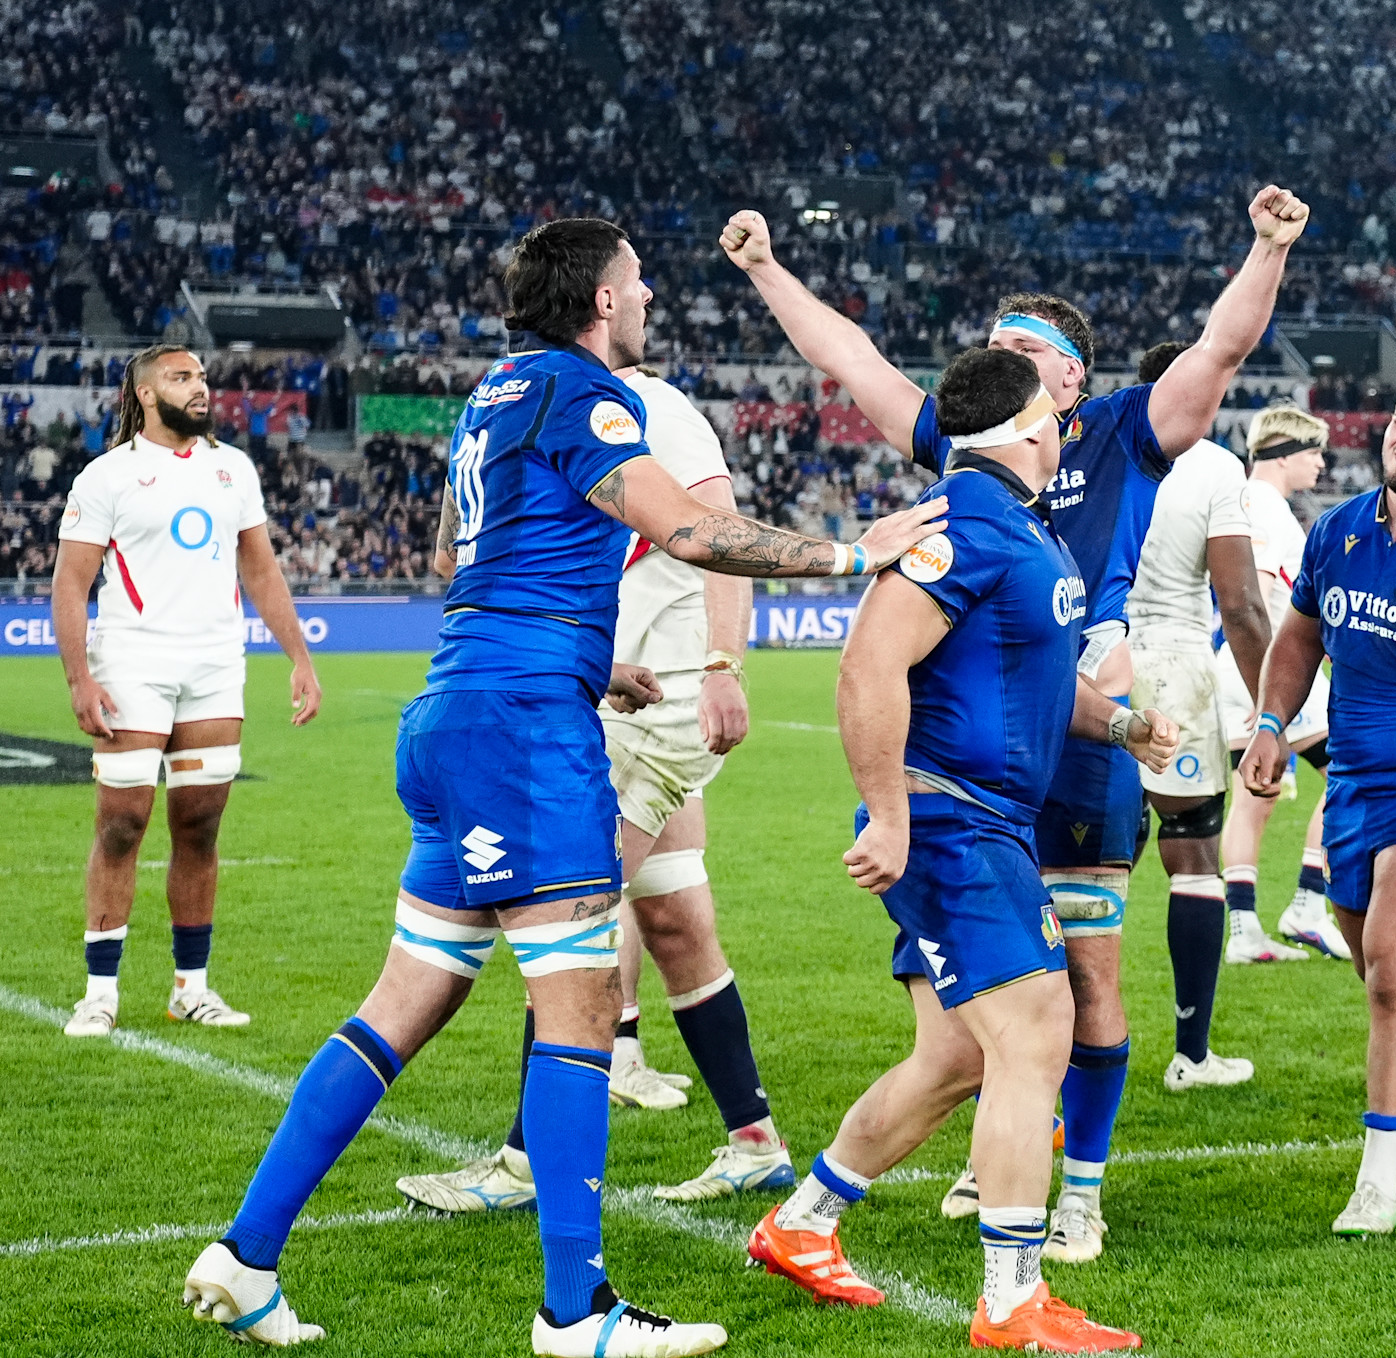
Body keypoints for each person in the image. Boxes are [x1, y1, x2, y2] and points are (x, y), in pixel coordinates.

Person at [178, 217, 945, 1355]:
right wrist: (850, 552)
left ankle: (245, 1256)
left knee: (404, 1002)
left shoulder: (491, 394)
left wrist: (591, 661)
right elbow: (687, 528)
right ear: (600, 299)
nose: (650, 298)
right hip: (523, 733)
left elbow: (472, 552)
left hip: (459, 707)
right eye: (638, 281)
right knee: (582, 1004)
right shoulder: (589, 393)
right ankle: (575, 1311)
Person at [718, 184, 1308, 1260]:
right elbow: (852, 359)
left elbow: (1220, 350)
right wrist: (764, 271)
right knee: (959, 1022)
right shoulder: (972, 445)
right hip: (968, 738)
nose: (1001, 357)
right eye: (994, 345)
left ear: (1071, 378)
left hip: (1072, 728)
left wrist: (1266, 248)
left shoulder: (1123, 432)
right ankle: (971, 1172)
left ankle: (1074, 1192)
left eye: (1024, 348)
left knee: (1082, 983)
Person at [743, 346, 1175, 1352]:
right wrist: (887, 813)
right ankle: (1013, 1299)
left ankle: (802, 1223)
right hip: (952, 820)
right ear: (1027, 429)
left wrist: (1120, 725)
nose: (1066, 427)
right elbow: (868, 662)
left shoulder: (1021, 527)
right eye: (1053, 416)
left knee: (954, 1055)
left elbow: (1032, 679)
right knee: (1037, 1029)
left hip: (987, 820)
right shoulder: (964, 524)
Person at [390, 366, 796, 1217]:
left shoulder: (647, 407)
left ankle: (522, 1164)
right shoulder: (550, 402)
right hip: (619, 693)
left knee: (566, 929)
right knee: (675, 924)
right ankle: (755, 1144)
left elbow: (720, 529)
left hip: (654, 706)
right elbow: (451, 553)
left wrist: (725, 664)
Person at [1239, 372, 1396, 1236]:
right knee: (1388, 974)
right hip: (1349, 785)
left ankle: (1376, 1184)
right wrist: (1270, 722)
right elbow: (1299, 636)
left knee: (1391, 973)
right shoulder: (1337, 530)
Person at [53, 344, 323, 1039]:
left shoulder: (233, 469)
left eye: (201, 376)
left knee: (200, 825)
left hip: (214, 668)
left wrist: (299, 657)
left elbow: (261, 571)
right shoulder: (106, 476)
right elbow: (70, 584)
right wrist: (80, 678)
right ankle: (99, 995)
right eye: (181, 377)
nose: (200, 386)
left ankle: (191, 990)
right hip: (131, 663)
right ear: (146, 394)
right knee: (122, 824)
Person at [1122, 340, 1274, 1105]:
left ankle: (1059, 1053)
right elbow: (1239, 604)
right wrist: (1272, 711)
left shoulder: (1092, 443)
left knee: (1080, 867)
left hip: (1090, 662)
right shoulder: (1213, 467)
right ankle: (1191, 1053)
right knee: (1191, 859)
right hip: (1174, 666)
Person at [1215, 405, 1342, 963]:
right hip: (1268, 667)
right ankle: (1310, 905)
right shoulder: (1264, 506)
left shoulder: (1244, 501)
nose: (1321, 464)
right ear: (1286, 454)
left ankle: (1244, 929)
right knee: (1353, 776)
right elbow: (1259, 594)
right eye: (1314, 452)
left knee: (1254, 796)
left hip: (1237, 664)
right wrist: (1268, 694)